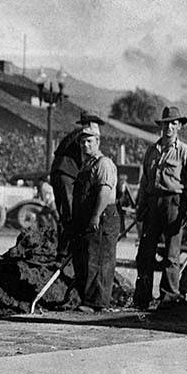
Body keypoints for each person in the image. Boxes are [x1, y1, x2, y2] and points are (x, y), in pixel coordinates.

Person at [134, 106, 187, 310]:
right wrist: (140, 206)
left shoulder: (185, 152)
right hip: (153, 203)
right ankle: (142, 296)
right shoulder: (152, 150)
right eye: (165, 123)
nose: (168, 127)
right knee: (145, 252)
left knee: (171, 254)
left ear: (179, 126)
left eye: (173, 123)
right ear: (160, 126)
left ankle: (168, 298)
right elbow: (144, 181)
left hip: (174, 204)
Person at [70, 122, 119, 312]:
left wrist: (96, 216)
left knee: (99, 259)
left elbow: (104, 193)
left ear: (98, 141)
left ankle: (97, 303)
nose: (85, 145)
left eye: (89, 141)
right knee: (87, 257)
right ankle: (89, 300)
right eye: (82, 142)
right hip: (89, 216)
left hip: (103, 215)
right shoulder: (87, 165)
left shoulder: (103, 163)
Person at [49, 111, 106, 261]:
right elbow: (87, 159)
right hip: (66, 174)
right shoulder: (82, 136)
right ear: (89, 125)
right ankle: (66, 251)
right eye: (95, 125)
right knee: (71, 212)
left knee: (64, 212)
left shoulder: (73, 136)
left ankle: (65, 249)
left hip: (58, 172)